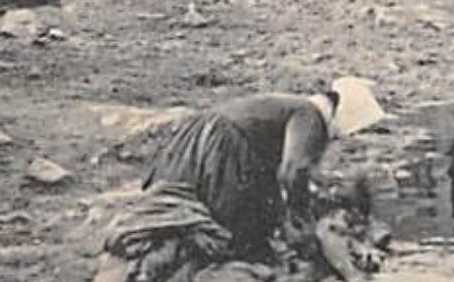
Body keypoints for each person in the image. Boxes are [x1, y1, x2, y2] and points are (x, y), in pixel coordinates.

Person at [141, 83, 341, 262]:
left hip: (201, 134)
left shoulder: (289, 104)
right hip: (223, 145)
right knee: (238, 233)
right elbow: (294, 170)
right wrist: (302, 217)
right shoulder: (310, 115)